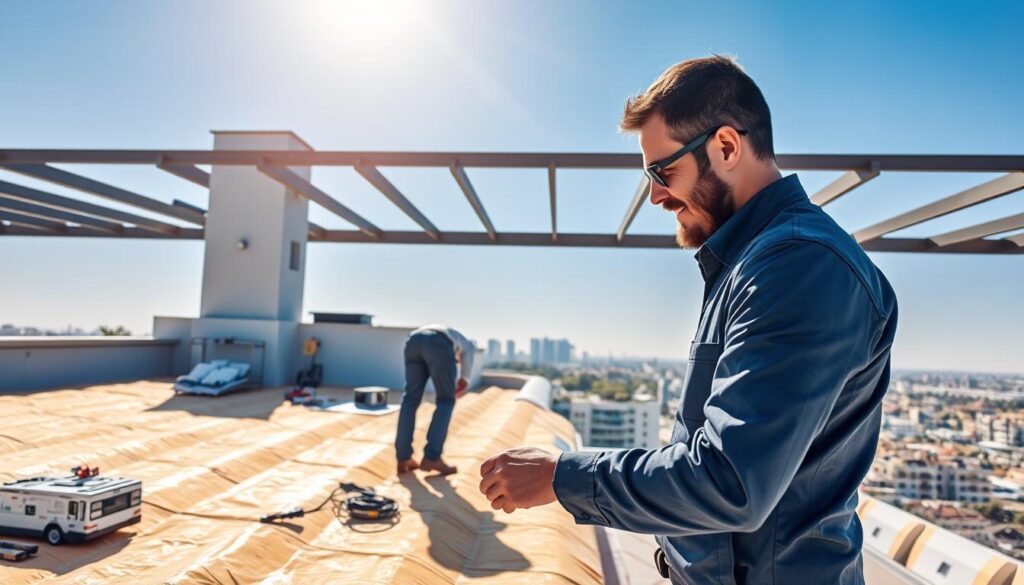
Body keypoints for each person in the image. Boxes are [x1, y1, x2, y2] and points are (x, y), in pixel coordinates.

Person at [478, 55, 898, 585]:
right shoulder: (755, 262)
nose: (654, 194)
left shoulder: (799, 266)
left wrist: (562, 477)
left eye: (662, 171)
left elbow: (730, 482)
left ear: (726, 146)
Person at [396, 324, 476, 476]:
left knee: (410, 401)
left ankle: (403, 458)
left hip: (413, 341)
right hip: (438, 342)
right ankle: (432, 457)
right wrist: (464, 379)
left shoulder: (451, 334)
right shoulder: (463, 342)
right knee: (446, 401)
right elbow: (469, 351)